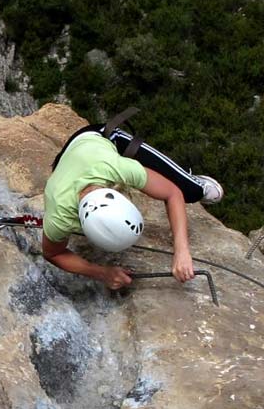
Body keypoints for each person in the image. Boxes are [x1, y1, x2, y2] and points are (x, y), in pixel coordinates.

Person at [42, 120, 223, 289]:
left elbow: (172, 193)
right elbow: (53, 253)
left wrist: (182, 251)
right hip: (74, 156)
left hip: (99, 138)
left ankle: (197, 184)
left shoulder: (117, 168)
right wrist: (102, 273)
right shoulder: (60, 214)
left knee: (190, 191)